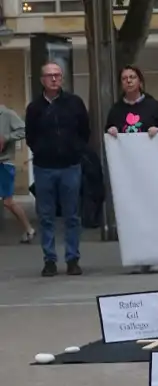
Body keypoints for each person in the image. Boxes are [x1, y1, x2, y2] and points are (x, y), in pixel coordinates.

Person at [24, 61, 90, 277]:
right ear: (42, 80)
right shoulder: (34, 108)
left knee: (72, 215)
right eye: (49, 75)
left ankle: (72, 259)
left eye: (57, 75)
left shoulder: (74, 103)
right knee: (46, 216)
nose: (54, 79)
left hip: (70, 166)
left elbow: (84, 130)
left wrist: (76, 150)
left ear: (62, 78)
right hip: (44, 168)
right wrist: (43, 151)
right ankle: (49, 260)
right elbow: (30, 136)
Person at [104, 65, 158, 274]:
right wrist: (111, 131)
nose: (129, 81)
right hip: (128, 174)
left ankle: (156, 255)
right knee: (131, 212)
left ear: (140, 81)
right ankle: (136, 255)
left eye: (133, 77)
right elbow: (109, 132)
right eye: (125, 78)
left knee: (153, 211)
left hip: (151, 170)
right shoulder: (116, 109)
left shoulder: (154, 106)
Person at [0, 103, 35, 244]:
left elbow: (24, 130)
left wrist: (5, 137)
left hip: (4, 163)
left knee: (8, 202)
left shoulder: (7, 114)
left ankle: (28, 229)